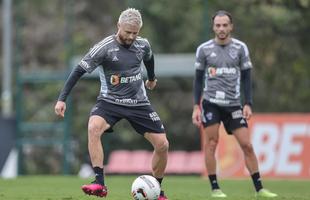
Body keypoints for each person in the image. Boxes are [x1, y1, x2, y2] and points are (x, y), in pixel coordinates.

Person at [54, 8, 169, 200]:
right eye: (127, 32)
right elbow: (78, 71)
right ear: (118, 26)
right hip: (110, 102)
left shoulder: (143, 45)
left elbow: (149, 58)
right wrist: (61, 99)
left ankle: (157, 190)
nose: (131, 36)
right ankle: (99, 182)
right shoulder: (104, 48)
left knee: (163, 145)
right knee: (93, 127)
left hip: (139, 103)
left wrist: (152, 78)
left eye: (135, 32)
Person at [192, 10, 278, 198]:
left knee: (247, 145)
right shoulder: (204, 49)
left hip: (233, 104)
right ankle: (215, 188)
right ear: (213, 27)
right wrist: (196, 106)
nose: (221, 29)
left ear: (231, 26)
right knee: (212, 144)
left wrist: (248, 103)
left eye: (225, 25)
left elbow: (247, 77)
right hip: (211, 103)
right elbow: (198, 80)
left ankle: (259, 189)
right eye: (218, 25)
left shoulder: (240, 48)